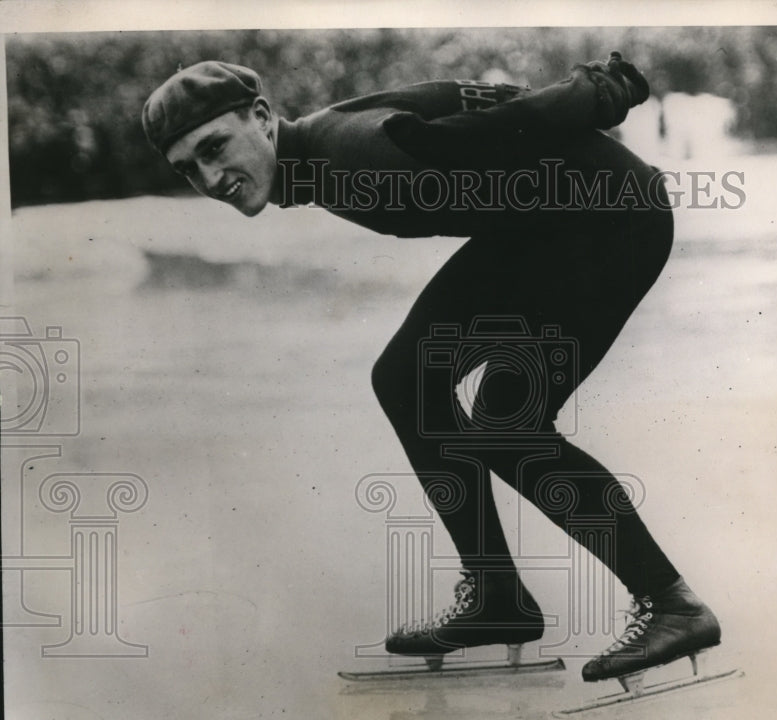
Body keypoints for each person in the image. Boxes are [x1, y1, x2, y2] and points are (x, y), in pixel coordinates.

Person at [142, 53, 721, 683]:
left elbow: (495, 126)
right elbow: (451, 95)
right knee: (408, 378)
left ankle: (672, 604)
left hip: (609, 219)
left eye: (215, 146)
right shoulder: (321, 150)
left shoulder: (352, 156)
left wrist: (599, 90)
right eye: (189, 169)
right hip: (537, 226)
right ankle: (498, 596)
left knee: (507, 426)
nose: (210, 175)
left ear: (260, 116)